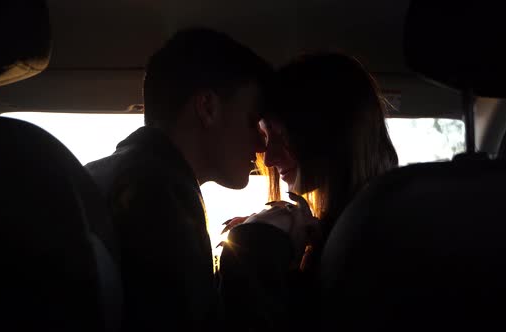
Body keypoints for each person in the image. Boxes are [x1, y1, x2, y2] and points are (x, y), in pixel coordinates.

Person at [85, 27, 273, 331]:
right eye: (253, 122)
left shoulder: (107, 174)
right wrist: (260, 246)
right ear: (208, 107)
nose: (262, 146)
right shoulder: (159, 199)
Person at [219, 52, 399, 331]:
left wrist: (253, 247)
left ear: (330, 134)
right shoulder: (353, 225)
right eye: (268, 138)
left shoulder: (373, 245)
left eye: (283, 136)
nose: (268, 158)